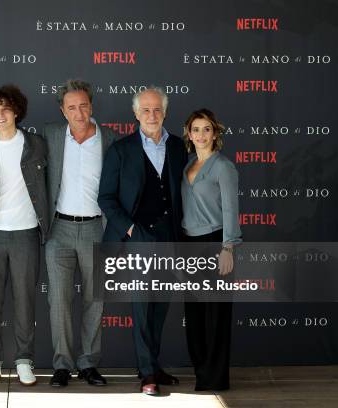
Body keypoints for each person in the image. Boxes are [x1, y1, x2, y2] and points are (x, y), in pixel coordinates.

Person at [98, 87, 187, 396]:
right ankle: (146, 372)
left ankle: (154, 365)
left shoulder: (178, 147)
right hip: (137, 237)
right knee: (141, 307)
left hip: (170, 238)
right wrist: (132, 230)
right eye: (145, 110)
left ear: (165, 112)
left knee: (160, 307)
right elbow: (106, 198)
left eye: (157, 110)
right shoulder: (121, 150)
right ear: (136, 114)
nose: (152, 115)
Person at [0, 85, 48, 388]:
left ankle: (24, 360)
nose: (0, 115)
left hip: (27, 234)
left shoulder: (38, 145)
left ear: (17, 111)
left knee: (25, 301)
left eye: (5, 109)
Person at [43, 80, 116, 387]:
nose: (78, 112)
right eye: (71, 107)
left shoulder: (110, 139)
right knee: (58, 300)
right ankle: (62, 364)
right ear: (62, 110)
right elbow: (14, 146)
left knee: (94, 299)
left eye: (83, 105)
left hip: (96, 228)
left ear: (92, 106)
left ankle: (88, 363)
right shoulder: (50, 136)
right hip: (58, 228)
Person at [181, 108, 242, 391]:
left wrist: (228, 248)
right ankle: (201, 372)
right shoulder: (188, 165)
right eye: (196, 129)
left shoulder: (223, 167)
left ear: (215, 133)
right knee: (194, 315)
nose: (201, 134)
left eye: (207, 129)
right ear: (189, 134)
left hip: (216, 243)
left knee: (216, 315)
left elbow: (231, 209)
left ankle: (216, 378)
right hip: (189, 245)